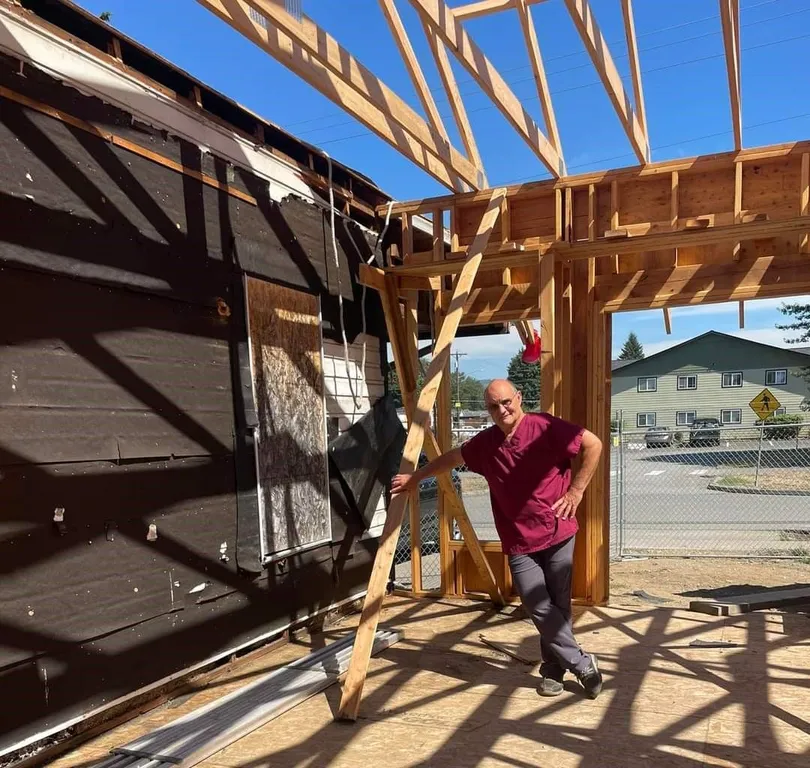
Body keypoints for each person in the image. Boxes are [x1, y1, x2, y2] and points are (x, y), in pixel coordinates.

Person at [391, 379, 604, 699]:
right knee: (538, 605)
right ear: (487, 410)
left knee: (558, 605)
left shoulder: (545, 427)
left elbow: (594, 444)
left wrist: (576, 490)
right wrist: (415, 477)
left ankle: (552, 668)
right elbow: (451, 459)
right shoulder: (486, 445)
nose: (502, 409)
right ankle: (582, 662)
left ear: (519, 398)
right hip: (520, 541)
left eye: (507, 402)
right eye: (494, 406)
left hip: (558, 530)